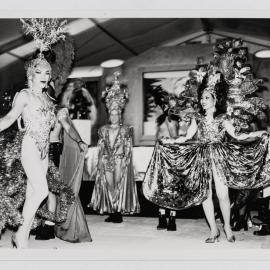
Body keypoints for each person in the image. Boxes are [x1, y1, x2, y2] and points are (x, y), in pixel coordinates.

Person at [143, 72, 270, 243]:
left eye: (207, 97)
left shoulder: (223, 118)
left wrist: (259, 132)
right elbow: (187, 137)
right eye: (202, 98)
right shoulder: (198, 118)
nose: (203, 100)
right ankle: (213, 230)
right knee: (205, 195)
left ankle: (227, 226)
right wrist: (170, 140)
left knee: (223, 195)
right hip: (202, 159)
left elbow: (239, 136)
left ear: (215, 99)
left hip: (219, 158)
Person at [0, 56, 59, 248]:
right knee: (42, 191)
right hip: (30, 145)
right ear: (30, 75)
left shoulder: (47, 98)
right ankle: (20, 233)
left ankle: (22, 237)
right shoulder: (24, 95)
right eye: (39, 72)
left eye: (47, 72)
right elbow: (9, 118)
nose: (44, 76)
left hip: (44, 150)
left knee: (33, 191)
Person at [34, 85, 91, 242]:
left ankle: (49, 225)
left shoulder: (59, 111)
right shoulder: (34, 109)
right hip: (35, 151)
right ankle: (41, 221)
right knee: (37, 188)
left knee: (50, 188)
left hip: (51, 151)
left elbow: (68, 128)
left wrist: (79, 141)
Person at [89, 72, 140, 222]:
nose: (114, 116)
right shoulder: (103, 130)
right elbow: (101, 147)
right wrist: (99, 161)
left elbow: (128, 147)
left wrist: (126, 160)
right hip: (106, 160)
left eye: (117, 113)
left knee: (118, 184)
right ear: (109, 114)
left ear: (120, 114)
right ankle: (112, 210)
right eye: (112, 113)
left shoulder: (126, 129)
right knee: (109, 184)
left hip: (119, 160)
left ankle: (118, 211)